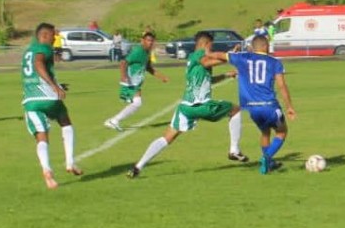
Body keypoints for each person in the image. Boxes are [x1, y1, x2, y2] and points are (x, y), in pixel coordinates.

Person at [127, 31, 251, 179]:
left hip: (185, 108)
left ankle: (138, 166)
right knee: (235, 110)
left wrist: (226, 75)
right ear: (205, 44)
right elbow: (207, 61)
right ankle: (234, 150)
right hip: (202, 105)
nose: (211, 50)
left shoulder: (192, 58)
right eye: (210, 46)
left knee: (167, 138)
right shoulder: (200, 56)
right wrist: (230, 56)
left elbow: (208, 80)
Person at [213, 35, 296, 175]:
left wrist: (204, 54)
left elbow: (219, 55)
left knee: (265, 132)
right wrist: (289, 107)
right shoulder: (274, 62)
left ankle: (269, 164)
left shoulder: (242, 57)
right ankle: (266, 158)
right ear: (265, 46)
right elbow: (282, 86)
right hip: (269, 106)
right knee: (282, 132)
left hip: (251, 108)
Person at [21, 22, 81, 190]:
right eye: (53, 36)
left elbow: (35, 67)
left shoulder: (28, 49)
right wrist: (54, 86)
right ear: (45, 36)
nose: (55, 39)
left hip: (30, 101)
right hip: (48, 97)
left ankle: (47, 170)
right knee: (65, 122)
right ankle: (70, 162)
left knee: (41, 137)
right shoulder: (44, 48)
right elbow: (38, 64)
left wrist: (57, 84)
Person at [104, 31, 169, 131]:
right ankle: (114, 121)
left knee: (136, 103)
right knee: (137, 103)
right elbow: (123, 62)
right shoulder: (138, 51)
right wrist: (124, 76)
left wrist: (161, 77)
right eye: (148, 40)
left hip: (135, 82)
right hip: (130, 81)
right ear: (142, 41)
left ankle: (113, 121)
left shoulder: (147, 53)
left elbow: (148, 67)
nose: (150, 43)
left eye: (152, 41)